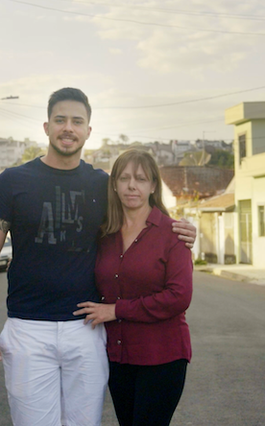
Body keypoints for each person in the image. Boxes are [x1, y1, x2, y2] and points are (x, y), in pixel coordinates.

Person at [0, 88, 195, 426]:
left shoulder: (103, 185)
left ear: (88, 130)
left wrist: (182, 229)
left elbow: (141, 213)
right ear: (46, 127)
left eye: (77, 121)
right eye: (60, 119)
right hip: (28, 328)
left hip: (86, 329)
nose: (68, 128)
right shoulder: (12, 182)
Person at [75, 149, 193, 426]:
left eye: (140, 179)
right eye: (124, 178)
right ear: (114, 185)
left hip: (162, 356)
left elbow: (179, 297)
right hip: (118, 357)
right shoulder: (104, 235)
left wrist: (116, 310)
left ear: (153, 186)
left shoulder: (173, 233)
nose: (131, 186)